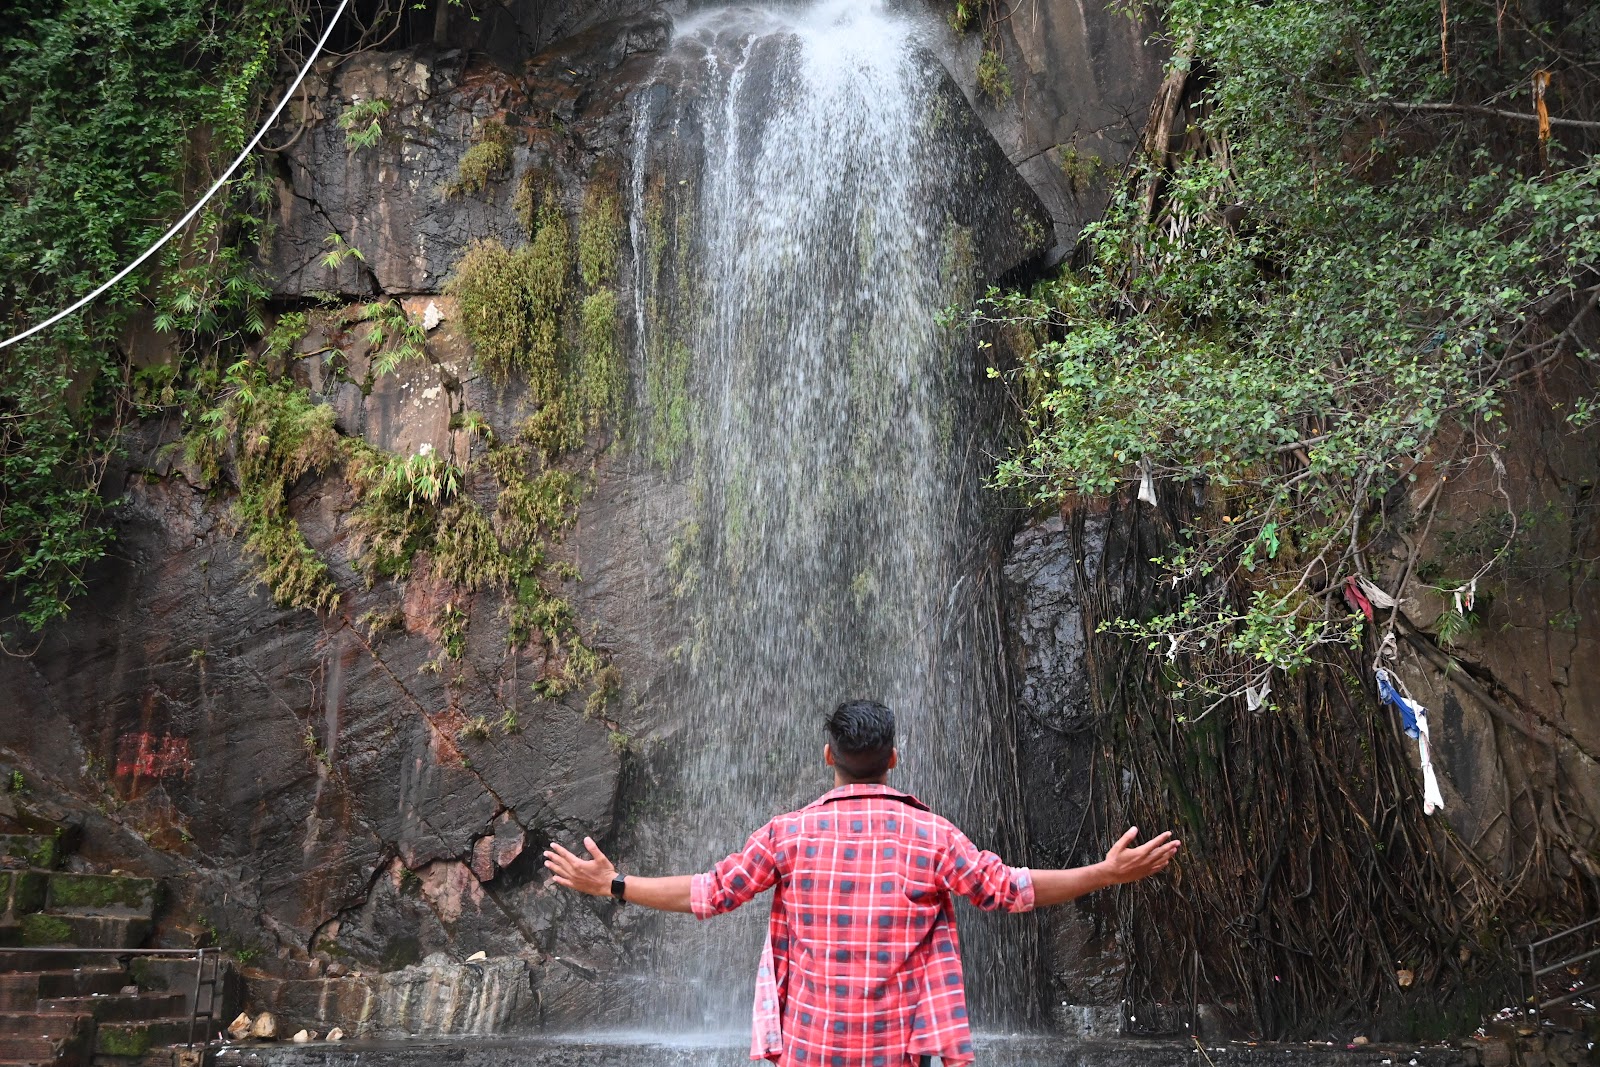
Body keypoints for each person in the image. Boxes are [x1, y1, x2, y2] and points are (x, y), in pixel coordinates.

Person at [544, 698, 1180, 1067]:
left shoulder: (787, 835)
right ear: (893, 758)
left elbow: (708, 893)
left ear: (829, 757)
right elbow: (1011, 890)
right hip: (897, 1051)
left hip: (808, 1049)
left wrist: (614, 885)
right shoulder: (933, 837)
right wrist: (1106, 872)